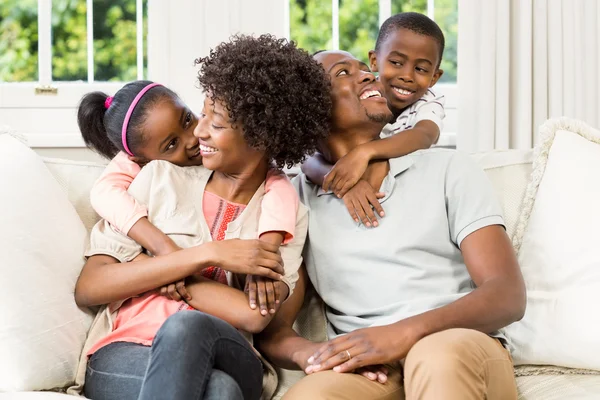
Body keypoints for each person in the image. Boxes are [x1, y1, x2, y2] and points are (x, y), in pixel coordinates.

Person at [69, 34, 331, 400]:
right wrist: (206, 255)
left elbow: (254, 316)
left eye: (216, 122)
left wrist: (155, 273)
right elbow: (91, 286)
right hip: (126, 350)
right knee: (220, 392)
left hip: (229, 352)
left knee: (186, 327)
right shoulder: (157, 178)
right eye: (202, 111)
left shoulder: (281, 215)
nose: (199, 130)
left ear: (262, 133)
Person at [257, 50, 526, 400]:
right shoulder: (295, 201)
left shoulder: (447, 169)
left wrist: (401, 334)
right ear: (308, 108)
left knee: (436, 358)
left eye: (366, 68)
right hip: (371, 369)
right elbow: (273, 330)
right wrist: (314, 354)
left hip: (457, 344)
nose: (369, 76)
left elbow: (507, 294)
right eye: (343, 72)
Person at [79, 79, 299, 314]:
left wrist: (264, 256)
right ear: (142, 161)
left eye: (187, 119)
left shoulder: (227, 161)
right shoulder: (147, 173)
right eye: (172, 144)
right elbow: (104, 193)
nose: (193, 138)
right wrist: (167, 253)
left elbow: (278, 185)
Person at [301, 12, 446, 228]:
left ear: (434, 77)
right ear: (375, 61)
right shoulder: (370, 88)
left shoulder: (427, 102)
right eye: (396, 62)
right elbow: (307, 160)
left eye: (421, 69)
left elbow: (424, 134)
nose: (407, 76)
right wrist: (342, 184)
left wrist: (365, 152)